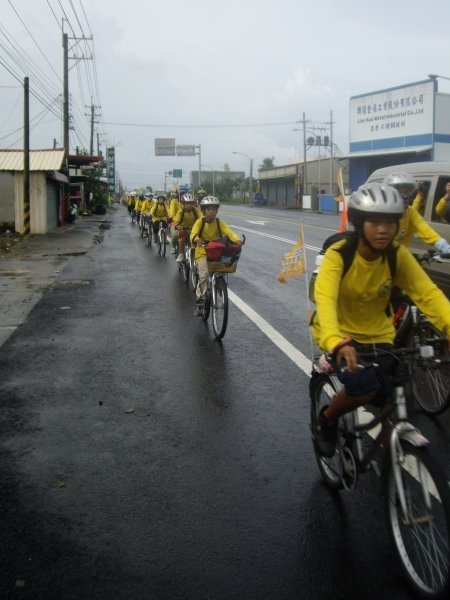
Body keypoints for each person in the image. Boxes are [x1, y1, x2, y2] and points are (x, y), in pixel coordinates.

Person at [311, 182, 450, 457]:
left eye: (390, 222)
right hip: (341, 333)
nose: (384, 229)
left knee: (398, 393)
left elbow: (428, 294)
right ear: (359, 223)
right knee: (364, 388)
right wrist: (336, 341)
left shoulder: (396, 256)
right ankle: (326, 420)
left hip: (381, 334)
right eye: (374, 222)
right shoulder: (340, 255)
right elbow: (325, 300)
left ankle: (392, 463)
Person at [190, 196, 242, 316]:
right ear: (204, 211)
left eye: (214, 209)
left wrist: (237, 240)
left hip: (216, 252)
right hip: (202, 252)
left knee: (223, 268)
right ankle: (200, 299)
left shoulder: (219, 222)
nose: (211, 211)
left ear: (217, 211)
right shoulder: (200, 222)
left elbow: (229, 232)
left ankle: (219, 285)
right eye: (208, 209)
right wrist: (196, 239)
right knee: (203, 275)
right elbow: (193, 233)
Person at [383, 172, 450, 253]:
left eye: (407, 192)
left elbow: (423, 227)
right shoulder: (381, 213)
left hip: (401, 257)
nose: (404, 196)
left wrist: (443, 245)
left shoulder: (410, 212)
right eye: (400, 192)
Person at [173, 193, 201, 263]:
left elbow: (201, 218)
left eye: (191, 203)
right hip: (183, 229)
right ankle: (181, 254)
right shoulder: (181, 211)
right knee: (175, 237)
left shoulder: (195, 210)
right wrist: (177, 226)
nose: (189, 205)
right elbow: (176, 220)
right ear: (184, 204)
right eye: (187, 204)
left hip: (194, 231)